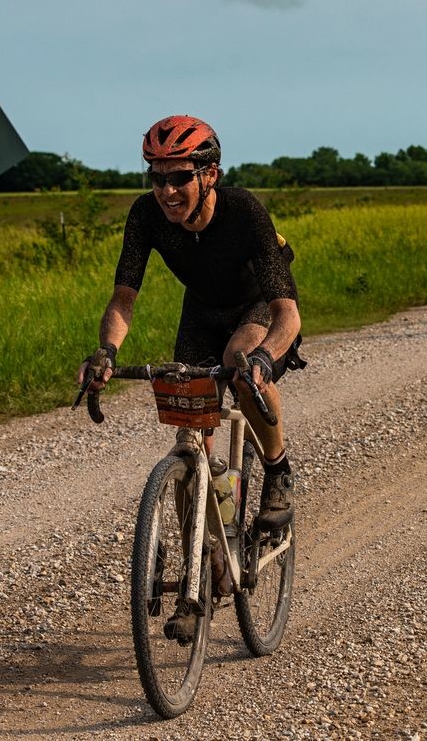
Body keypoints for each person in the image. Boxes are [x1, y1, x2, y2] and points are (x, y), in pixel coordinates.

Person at [77, 115, 303, 639]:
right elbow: (123, 299)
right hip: (200, 313)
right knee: (189, 437)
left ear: (211, 174)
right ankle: (203, 568)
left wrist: (265, 360)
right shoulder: (146, 217)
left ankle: (278, 470)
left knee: (241, 365)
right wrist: (106, 351)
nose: (166, 190)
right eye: (156, 177)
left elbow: (285, 313)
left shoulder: (244, 211)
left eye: (179, 177)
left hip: (258, 311)